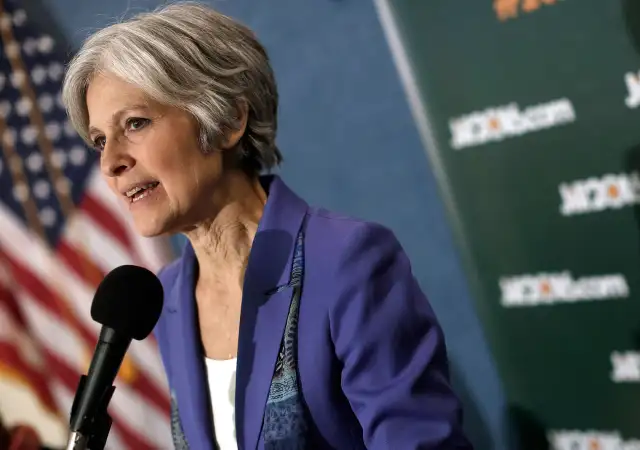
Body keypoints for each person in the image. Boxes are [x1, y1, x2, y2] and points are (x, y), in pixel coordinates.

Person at [62, 2, 472, 449]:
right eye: (100, 140)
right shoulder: (170, 296)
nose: (110, 162)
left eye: (135, 124)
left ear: (228, 121)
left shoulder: (346, 261)